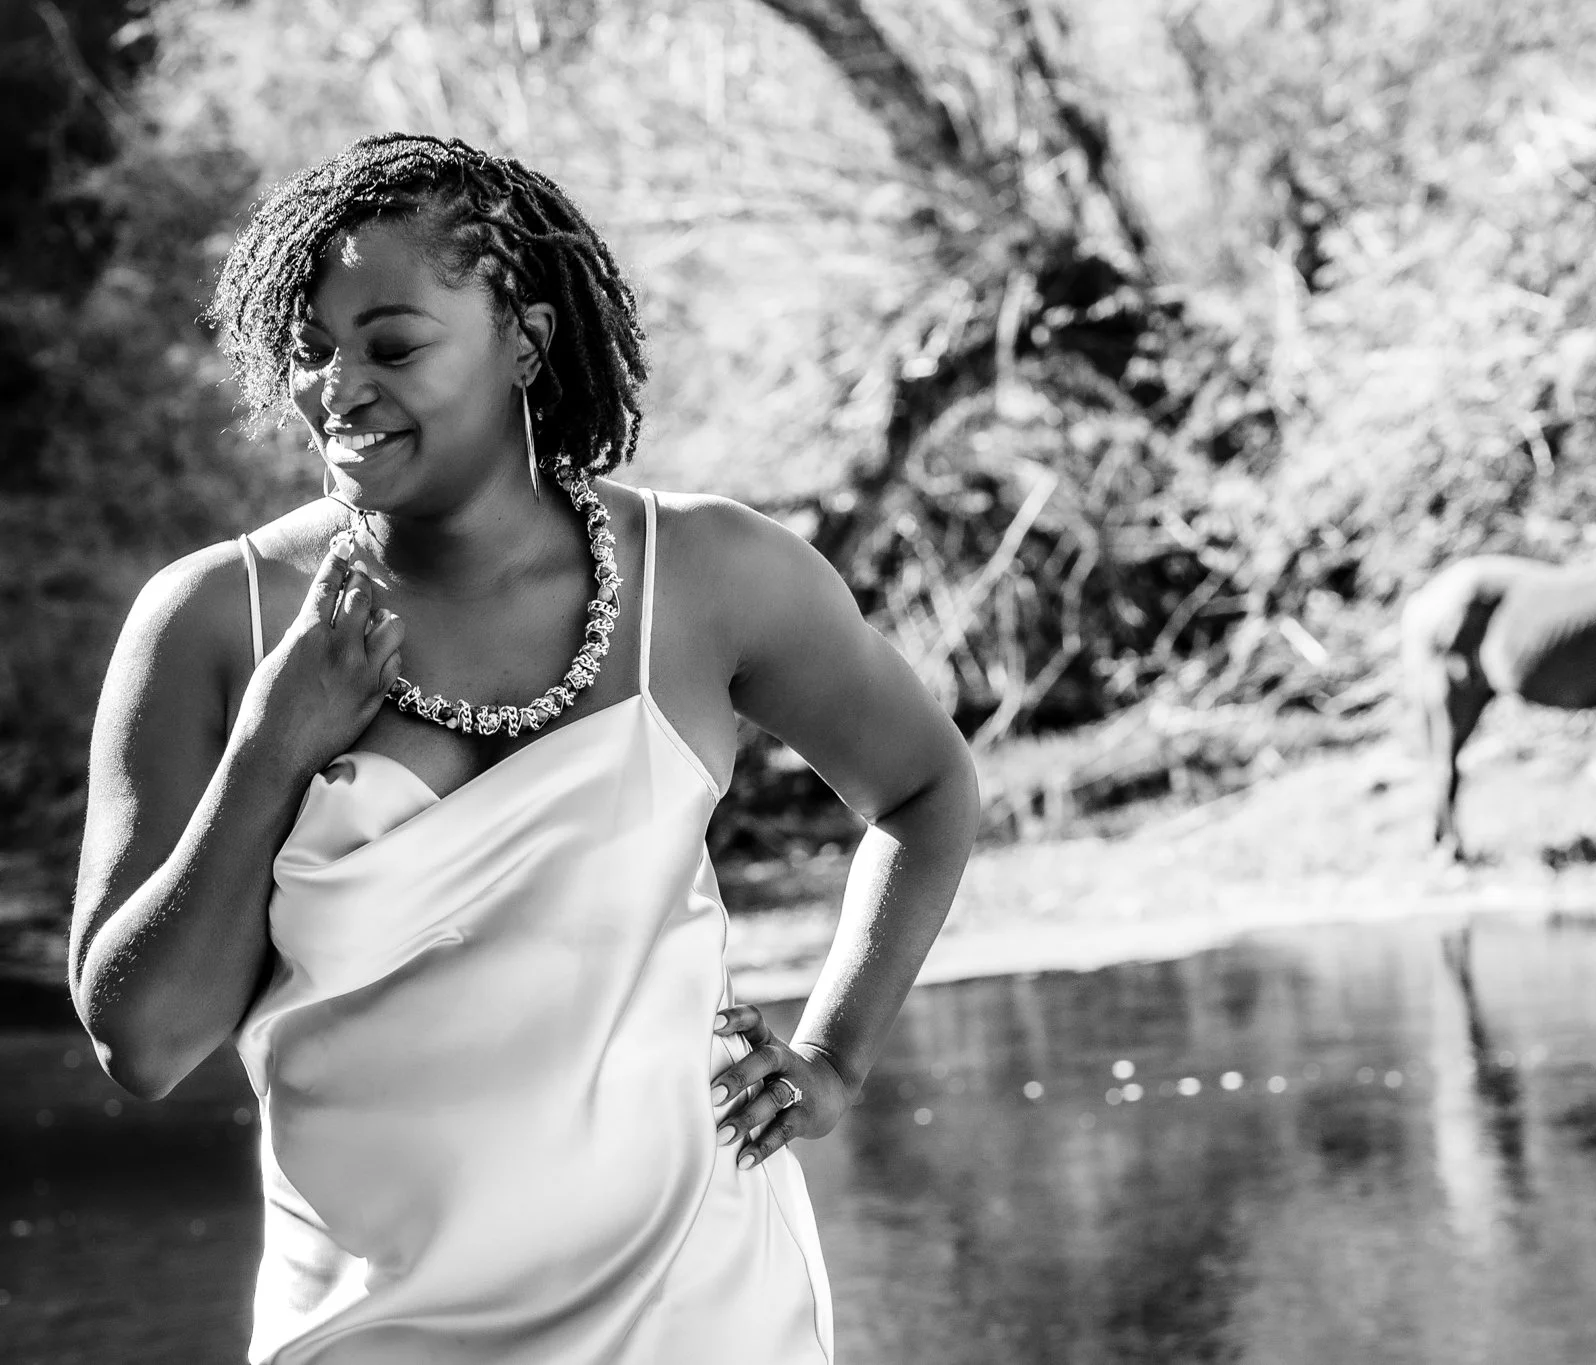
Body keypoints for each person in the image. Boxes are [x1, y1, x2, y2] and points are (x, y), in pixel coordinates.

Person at [66, 133, 980, 1364]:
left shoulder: (708, 577)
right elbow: (144, 1043)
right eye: (310, 351)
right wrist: (273, 748)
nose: (339, 387)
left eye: (391, 345)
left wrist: (831, 1056)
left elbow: (923, 788)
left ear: (526, 344)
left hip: (697, 1308)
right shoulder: (211, 622)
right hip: (374, 1323)